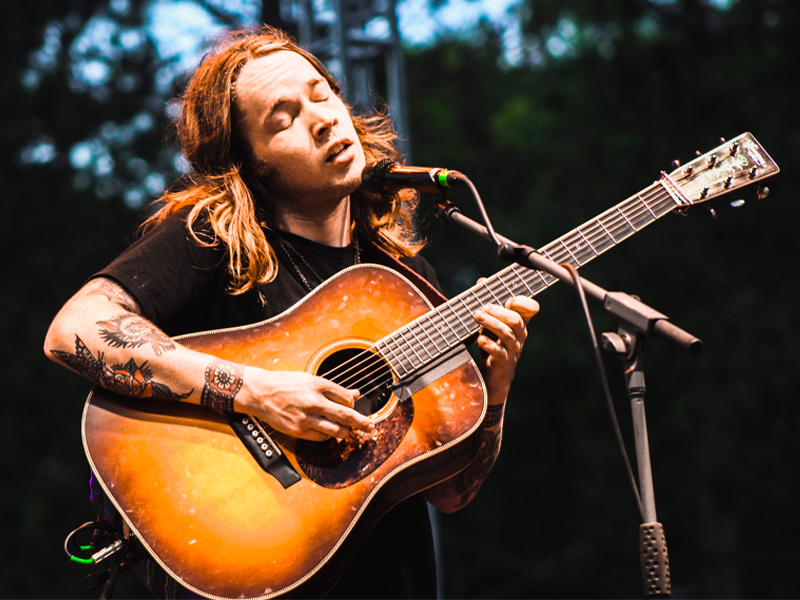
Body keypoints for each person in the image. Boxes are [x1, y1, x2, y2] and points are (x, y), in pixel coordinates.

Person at [44, 26, 539, 599]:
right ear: (253, 165)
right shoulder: (216, 241)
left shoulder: (405, 284)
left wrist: (495, 393)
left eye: (322, 93)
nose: (324, 118)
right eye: (283, 119)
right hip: (244, 560)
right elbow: (74, 330)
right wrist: (253, 391)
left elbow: (453, 494)